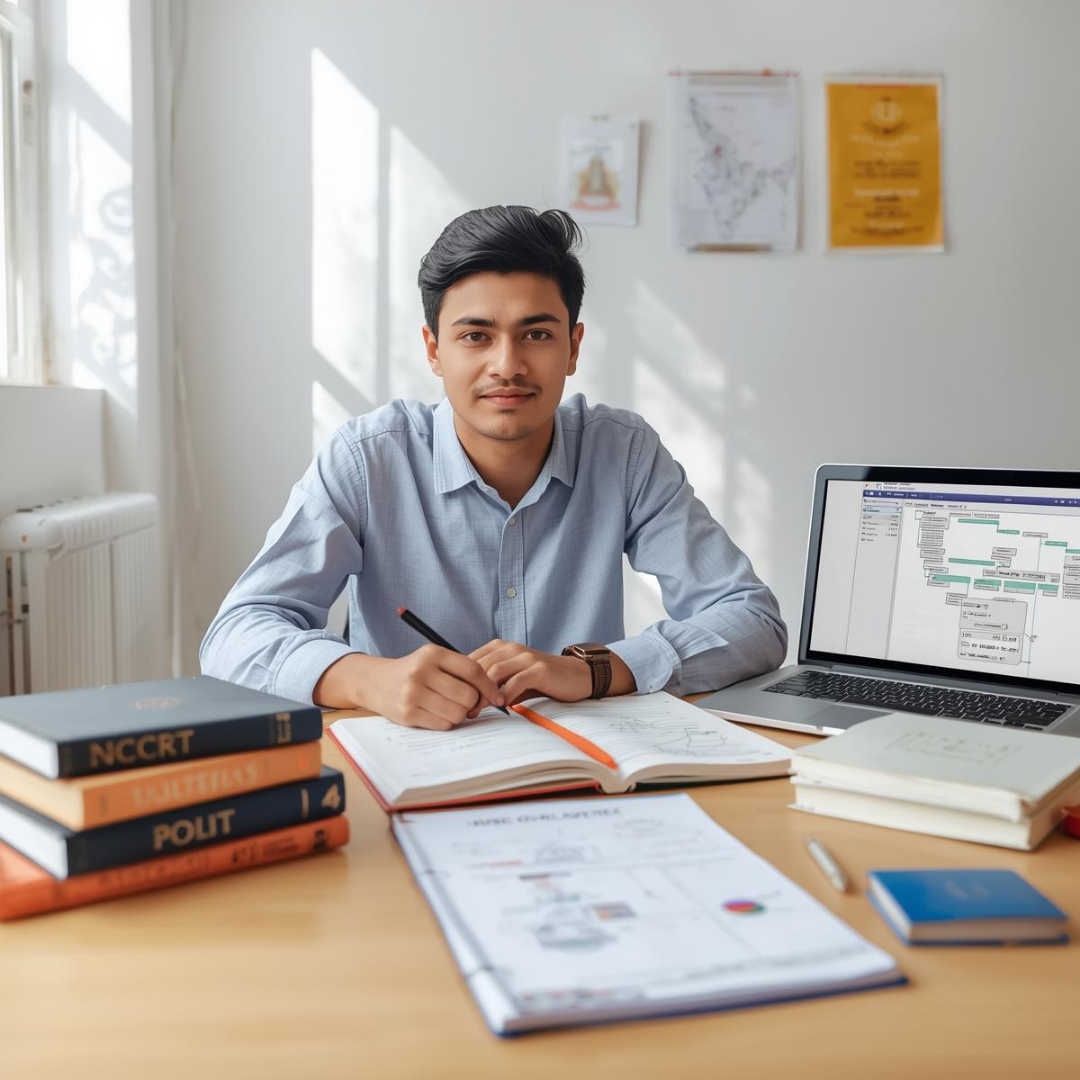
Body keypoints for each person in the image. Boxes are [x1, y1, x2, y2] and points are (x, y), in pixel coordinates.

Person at [200, 206, 787, 729]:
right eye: (476, 336)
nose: (507, 365)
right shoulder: (367, 458)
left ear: (573, 348)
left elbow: (752, 619)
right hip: (410, 764)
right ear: (434, 350)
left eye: (537, 334)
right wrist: (367, 679)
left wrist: (595, 669)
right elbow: (234, 635)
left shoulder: (622, 452)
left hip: (585, 767)